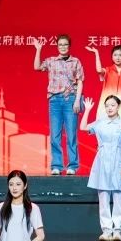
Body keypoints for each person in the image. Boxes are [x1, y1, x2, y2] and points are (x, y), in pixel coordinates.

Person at [80, 95, 121, 241]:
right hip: (102, 161)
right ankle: (106, 230)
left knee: (118, 197)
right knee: (103, 197)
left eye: (112, 105)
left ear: (118, 107)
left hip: (118, 161)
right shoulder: (100, 123)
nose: (110, 108)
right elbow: (83, 127)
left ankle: (117, 230)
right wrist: (87, 110)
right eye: (107, 105)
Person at [32, 35, 84, 175]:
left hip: (70, 99)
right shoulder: (51, 61)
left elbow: (80, 81)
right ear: (57, 46)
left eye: (65, 44)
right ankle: (57, 166)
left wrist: (77, 100)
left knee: (71, 134)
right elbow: (37, 67)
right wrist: (38, 49)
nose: (63, 47)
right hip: (54, 100)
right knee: (55, 135)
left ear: (69, 46)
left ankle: (72, 166)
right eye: (60, 44)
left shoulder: (75, 61)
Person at [86, 44, 121, 124]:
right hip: (107, 107)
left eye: (120, 55)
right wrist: (96, 53)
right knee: (105, 129)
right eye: (115, 55)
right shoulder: (107, 71)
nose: (118, 58)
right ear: (112, 57)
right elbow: (99, 70)